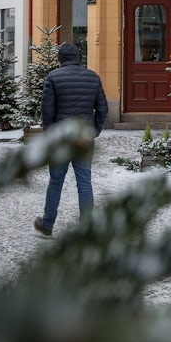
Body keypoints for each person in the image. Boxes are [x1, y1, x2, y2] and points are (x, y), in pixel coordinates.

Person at [34, 43, 109, 236]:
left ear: (60, 59)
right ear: (78, 57)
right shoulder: (93, 77)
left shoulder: (53, 78)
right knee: (84, 181)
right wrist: (94, 130)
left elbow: (47, 111)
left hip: (61, 137)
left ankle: (47, 224)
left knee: (55, 181)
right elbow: (103, 108)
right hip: (84, 136)